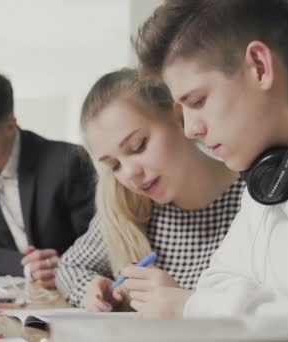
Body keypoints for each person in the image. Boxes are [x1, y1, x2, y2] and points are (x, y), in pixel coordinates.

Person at [133, 0, 288, 341]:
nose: (190, 129)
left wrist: (196, 308)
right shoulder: (270, 176)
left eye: (197, 102)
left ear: (259, 66)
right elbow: (216, 285)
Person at [55, 68, 244, 316]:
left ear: (180, 117)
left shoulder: (253, 200)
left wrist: (185, 304)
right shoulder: (128, 205)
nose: (130, 174)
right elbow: (68, 267)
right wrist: (90, 289)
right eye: (114, 165)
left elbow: (273, 314)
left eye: (138, 146)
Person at [0, 67, 95, 289]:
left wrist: (59, 267)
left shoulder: (68, 163)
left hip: (67, 293)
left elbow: (97, 248)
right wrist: (27, 266)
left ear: (10, 126)